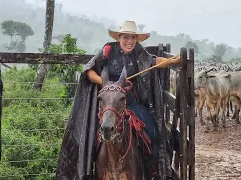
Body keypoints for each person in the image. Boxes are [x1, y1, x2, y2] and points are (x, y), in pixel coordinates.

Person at [56, 20, 180, 180]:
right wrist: (107, 84)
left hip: (130, 103)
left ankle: (155, 172)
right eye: (125, 37)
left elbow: (154, 61)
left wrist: (174, 61)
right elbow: (89, 71)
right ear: (119, 37)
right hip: (107, 103)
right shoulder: (108, 50)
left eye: (132, 38)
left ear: (136, 39)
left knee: (154, 134)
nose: (129, 41)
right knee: (87, 136)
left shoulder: (139, 51)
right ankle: (88, 172)